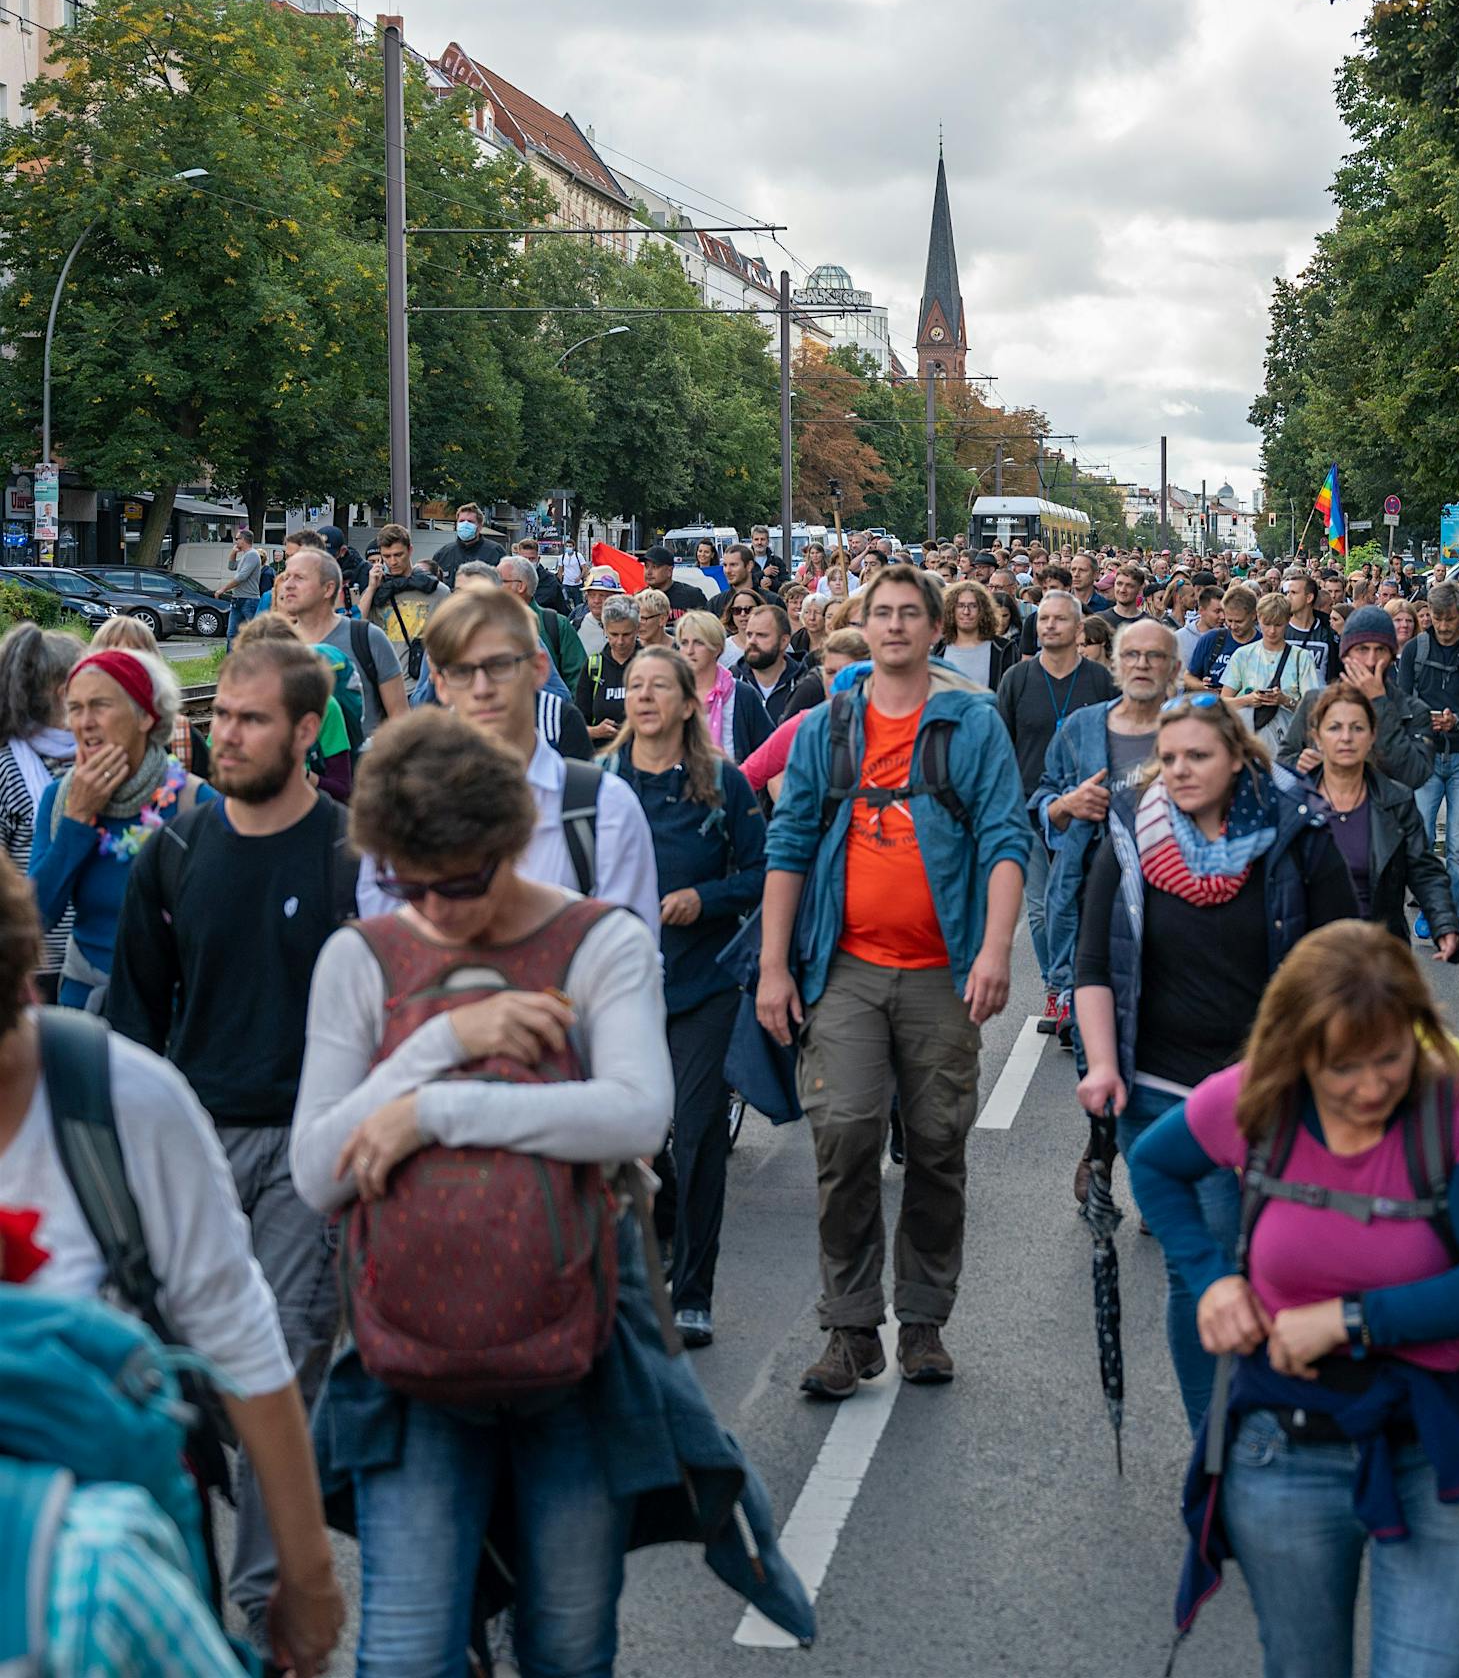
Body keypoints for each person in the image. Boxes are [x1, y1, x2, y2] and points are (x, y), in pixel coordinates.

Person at [289, 711, 672, 1673]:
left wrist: (433, 1117)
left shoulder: (598, 943)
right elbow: (317, 1168)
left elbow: (635, 1116)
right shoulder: (362, 958)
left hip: (574, 1341)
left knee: (568, 1646)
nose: (437, 907)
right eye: (409, 884)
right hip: (406, 1355)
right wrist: (441, 1047)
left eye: (459, 882)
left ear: (511, 841)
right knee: (408, 1651)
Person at [1129, 926, 1459, 1678]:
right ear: (1297, 1052)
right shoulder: (1260, 1095)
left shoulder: (1455, 1101)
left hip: (1435, 1447)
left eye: (1390, 1057)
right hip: (1283, 1452)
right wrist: (1211, 1277)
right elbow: (1156, 1164)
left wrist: (1349, 1320)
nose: (1370, 1086)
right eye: (1342, 1067)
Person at [0, 862, 344, 1677]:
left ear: (26, 988)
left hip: (123, 1579)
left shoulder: (123, 1101)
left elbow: (242, 1340)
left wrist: (307, 1577)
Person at [103, 638, 355, 1655]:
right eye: (220, 718)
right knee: (180, 1384)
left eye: (251, 719)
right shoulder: (175, 850)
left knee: (279, 1371)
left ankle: (264, 1614)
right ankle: (178, 1587)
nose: (226, 733)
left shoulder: (352, 856)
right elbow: (131, 1020)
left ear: (304, 732)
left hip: (306, 1152)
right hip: (190, 1154)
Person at [757, 564, 1031, 1398]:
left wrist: (995, 951)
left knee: (939, 1145)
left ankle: (921, 1321)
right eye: (883, 613)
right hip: (843, 968)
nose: (897, 626)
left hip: (943, 973)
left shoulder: (972, 725)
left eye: (913, 613)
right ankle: (848, 1330)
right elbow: (790, 844)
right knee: (842, 1135)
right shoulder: (826, 729)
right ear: (863, 625)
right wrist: (773, 965)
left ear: (937, 628)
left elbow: (1006, 838)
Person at [1073, 695, 1361, 1428]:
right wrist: (1102, 1065)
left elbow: (1344, 964)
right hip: (1158, 1090)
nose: (1178, 772)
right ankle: (1219, 1442)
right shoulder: (1132, 837)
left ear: (1239, 758)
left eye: (1197, 756)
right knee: (1199, 1263)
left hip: (1271, 1088)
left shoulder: (1296, 834)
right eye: (1167, 760)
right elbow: (1095, 964)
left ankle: (1282, 1414)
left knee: (1274, 1265)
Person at [603, 648, 766, 1348]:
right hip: (617, 990)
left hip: (701, 985)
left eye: (658, 687)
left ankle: (693, 1291)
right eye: (634, 686)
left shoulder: (722, 784)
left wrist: (706, 900)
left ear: (687, 703)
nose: (643, 697)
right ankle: (659, 1227)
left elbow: (762, 873)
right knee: (633, 1137)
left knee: (697, 1133)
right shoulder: (602, 785)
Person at [355, 583, 657, 933]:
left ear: (539, 668)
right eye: (463, 671)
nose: (482, 689)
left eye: (499, 665)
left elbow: (633, 959)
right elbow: (387, 949)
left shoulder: (605, 808)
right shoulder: (399, 803)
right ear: (440, 683)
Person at [28, 650, 215, 1010]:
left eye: (100, 705)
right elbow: (36, 918)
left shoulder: (195, 800)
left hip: (172, 1011)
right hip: (85, 1008)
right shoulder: (59, 799)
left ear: (145, 715)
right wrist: (77, 819)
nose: (85, 722)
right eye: (76, 708)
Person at [1033, 619, 1176, 1068]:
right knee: (1091, 1037)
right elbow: (1044, 799)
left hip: (1173, 898)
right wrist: (1067, 804)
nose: (1142, 664)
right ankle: (1102, 1123)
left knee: (1164, 1032)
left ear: (1173, 669)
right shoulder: (1082, 727)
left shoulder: (1197, 729)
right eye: (1132, 655)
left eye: (1155, 656)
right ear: (1115, 665)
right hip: (1091, 896)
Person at [996, 590, 1117, 1025]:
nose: (1049, 626)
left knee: (1079, 900)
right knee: (1044, 907)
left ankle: (1079, 983)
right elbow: (1002, 744)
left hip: (1087, 810)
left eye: (1059, 619)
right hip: (1030, 808)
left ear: (1078, 629)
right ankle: (1055, 986)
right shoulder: (1017, 679)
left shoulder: (1099, 681)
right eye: (1043, 619)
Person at [1305, 683, 1459, 958]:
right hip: (1311, 957)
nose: (1346, 737)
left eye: (1357, 728)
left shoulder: (1396, 801)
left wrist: (1444, 924)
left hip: (1379, 955)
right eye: (1334, 728)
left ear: (1373, 735)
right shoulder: (1292, 804)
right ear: (1317, 737)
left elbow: (1423, 869)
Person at [1398, 581, 1459, 932]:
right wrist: (1424, 719)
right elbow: (1402, 701)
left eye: (1449, 619)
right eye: (1437, 619)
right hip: (1425, 757)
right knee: (1422, 841)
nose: (1442, 626)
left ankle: (1449, 916)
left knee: (1458, 846)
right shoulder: (1415, 649)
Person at [0, 623, 82, 998]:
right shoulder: (7, 768)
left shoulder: (94, 756)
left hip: (89, 964)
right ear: (64, 693)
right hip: (31, 971)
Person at [1279, 606, 1434, 792]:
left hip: (1386, 816)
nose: (1370, 660)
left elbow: (1414, 775)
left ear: (1391, 656)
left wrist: (1379, 703)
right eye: (1362, 649)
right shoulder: (1315, 701)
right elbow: (1284, 761)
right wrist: (1301, 764)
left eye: (1380, 650)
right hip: (1324, 814)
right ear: (1346, 654)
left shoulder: (1413, 711)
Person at [276, 547, 410, 737]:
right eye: (286, 576)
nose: (287, 585)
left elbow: (400, 717)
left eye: (299, 578)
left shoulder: (367, 638)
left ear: (328, 588)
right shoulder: (278, 645)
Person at [740, 628, 872, 802]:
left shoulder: (894, 721)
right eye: (831, 672)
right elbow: (746, 777)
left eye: (849, 672)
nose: (838, 681)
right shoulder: (805, 725)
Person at [674, 609, 768, 765]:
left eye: (698, 642)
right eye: (684, 643)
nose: (689, 651)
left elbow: (766, 751)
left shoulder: (743, 695)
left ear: (717, 648)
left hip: (732, 783)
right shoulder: (671, 694)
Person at [358, 522, 448, 683]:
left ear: (410, 550)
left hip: (425, 683)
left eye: (398, 555)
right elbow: (357, 626)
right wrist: (371, 588)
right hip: (387, 682)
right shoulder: (377, 591)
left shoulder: (437, 591)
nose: (393, 562)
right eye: (386, 556)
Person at [1222, 593, 1320, 732]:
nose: (1272, 631)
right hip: (1250, 738)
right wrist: (1248, 700)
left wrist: (1285, 701)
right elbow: (1224, 702)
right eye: (1266, 624)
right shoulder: (1242, 655)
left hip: (1288, 739)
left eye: (1278, 625)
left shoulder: (1301, 657)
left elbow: (1313, 709)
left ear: (1288, 621)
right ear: (1258, 618)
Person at [498, 555, 586, 698]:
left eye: (500, 581)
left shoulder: (556, 624)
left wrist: (568, 716)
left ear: (520, 586)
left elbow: (578, 680)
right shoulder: (490, 625)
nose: (494, 587)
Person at [576, 594, 639, 746]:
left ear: (637, 630)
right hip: (603, 753)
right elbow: (578, 726)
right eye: (614, 634)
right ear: (604, 630)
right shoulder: (594, 667)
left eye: (627, 634)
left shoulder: (651, 663)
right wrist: (596, 731)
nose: (620, 642)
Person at [933, 578, 1015, 690]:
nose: (966, 612)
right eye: (960, 606)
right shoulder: (938, 647)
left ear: (983, 610)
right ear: (951, 609)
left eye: (973, 606)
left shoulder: (1004, 648)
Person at [732, 603, 807, 724]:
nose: (752, 641)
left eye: (762, 635)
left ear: (784, 641)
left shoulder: (805, 683)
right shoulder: (731, 681)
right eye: (749, 635)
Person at [1185, 583, 1259, 691]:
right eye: (1229, 620)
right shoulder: (1211, 638)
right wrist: (1203, 686)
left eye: (1239, 621)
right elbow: (1188, 677)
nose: (1233, 626)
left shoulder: (1263, 643)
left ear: (1253, 615)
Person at [1284, 569, 1339, 684]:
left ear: (1309, 598)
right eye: (1287, 593)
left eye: (1293, 593)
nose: (1288, 597)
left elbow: (1334, 674)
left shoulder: (1328, 632)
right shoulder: (1279, 629)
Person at [431, 501, 508, 584]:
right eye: (461, 521)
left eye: (470, 521)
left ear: (480, 526)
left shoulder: (495, 552)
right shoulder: (443, 554)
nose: (465, 524)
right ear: (456, 525)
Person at [217, 526, 264, 647]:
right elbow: (231, 566)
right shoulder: (245, 556)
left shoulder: (252, 555)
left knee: (253, 634)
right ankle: (232, 662)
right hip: (238, 598)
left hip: (249, 599)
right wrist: (234, 552)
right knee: (232, 634)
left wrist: (223, 589)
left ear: (243, 540)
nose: (235, 541)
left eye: (237, 539)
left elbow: (241, 577)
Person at [643, 545, 708, 615]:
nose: (648, 572)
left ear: (669, 571)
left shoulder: (692, 596)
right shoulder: (639, 599)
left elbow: (705, 624)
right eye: (646, 566)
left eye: (654, 567)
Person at [1069, 551, 1111, 618]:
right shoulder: (1061, 603)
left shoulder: (1106, 606)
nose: (1076, 574)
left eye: (1082, 570)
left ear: (1095, 575)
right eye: (1073, 570)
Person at [790, 591, 828, 663]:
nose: (812, 617)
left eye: (817, 612)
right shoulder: (796, 639)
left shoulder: (834, 641)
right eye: (807, 612)